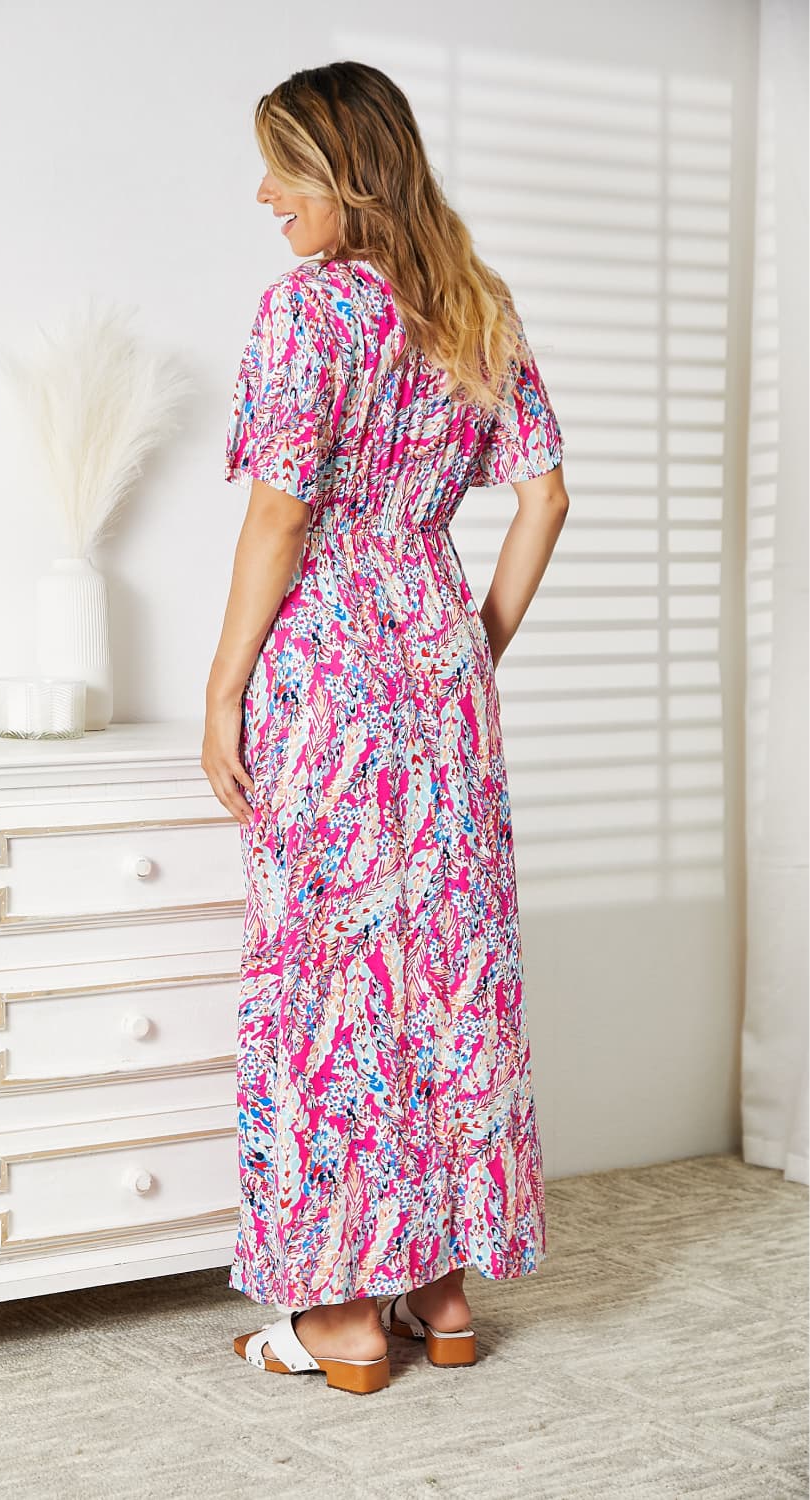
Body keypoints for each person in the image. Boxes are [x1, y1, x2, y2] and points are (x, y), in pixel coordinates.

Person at [202, 60, 568, 1395]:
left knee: (329, 985)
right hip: (435, 663)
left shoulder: (307, 312)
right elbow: (542, 502)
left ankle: (344, 1321)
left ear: (346, 171)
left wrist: (222, 683)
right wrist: (470, 647)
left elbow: (282, 514)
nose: (265, 196)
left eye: (283, 170)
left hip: (327, 674)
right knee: (445, 973)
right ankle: (444, 1294)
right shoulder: (473, 305)